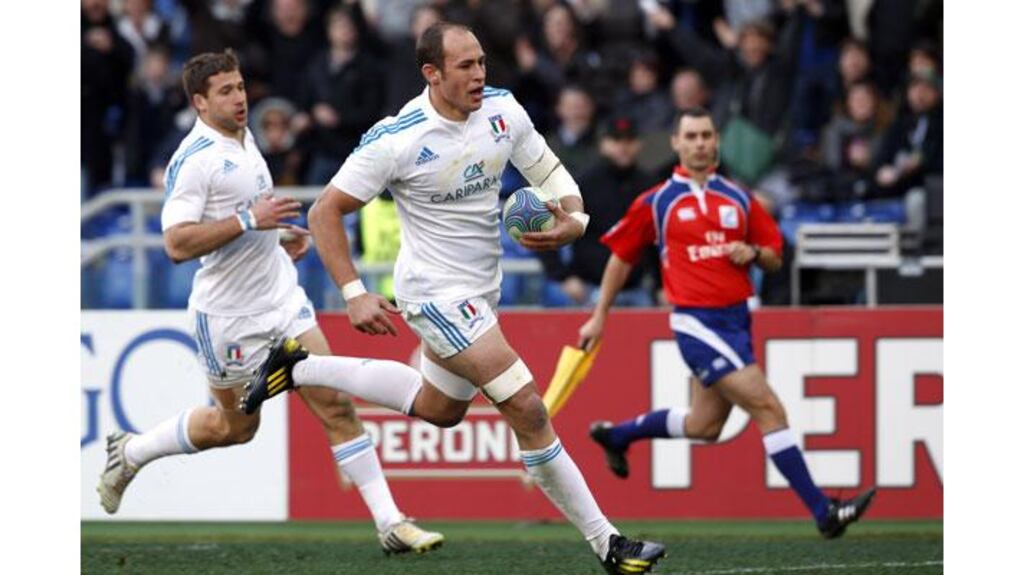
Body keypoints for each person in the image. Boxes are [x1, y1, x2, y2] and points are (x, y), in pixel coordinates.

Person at [241, 22, 666, 574]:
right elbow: (325, 211)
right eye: (465, 66)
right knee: (528, 407)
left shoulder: (503, 110)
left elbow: (549, 171)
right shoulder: (398, 137)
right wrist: (353, 293)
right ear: (432, 73)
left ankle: (299, 367)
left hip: (481, 292)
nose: (479, 74)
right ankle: (609, 543)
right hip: (434, 294)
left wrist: (575, 219)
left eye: (482, 62)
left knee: (440, 410)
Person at [96, 50, 444, 556]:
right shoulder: (194, 160)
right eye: (225, 92)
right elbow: (176, 243)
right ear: (199, 102)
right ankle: (131, 451)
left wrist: (275, 236)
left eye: (239, 87)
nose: (239, 99)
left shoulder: (244, 136)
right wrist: (249, 222)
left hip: (281, 299)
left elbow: (243, 217)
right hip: (229, 318)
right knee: (235, 428)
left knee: (335, 405)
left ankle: (391, 523)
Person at [580, 108, 876, 540]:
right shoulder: (658, 201)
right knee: (768, 408)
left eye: (706, 135)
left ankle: (618, 435)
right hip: (696, 325)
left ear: (716, 140)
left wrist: (753, 253)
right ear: (677, 144)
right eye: (691, 136)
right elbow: (621, 258)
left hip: (737, 321)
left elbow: (774, 255)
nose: (700, 143)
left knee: (706, 426)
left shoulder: (739, 198)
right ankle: (823, 511)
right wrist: (599, 316)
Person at [539, 116, 658, 307]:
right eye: (616, 140)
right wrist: (563, 276)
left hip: (636, 289)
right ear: (603, 144)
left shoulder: (649, 185)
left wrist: (660, 285)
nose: (623, 147)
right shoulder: (583, 183)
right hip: (590, 289)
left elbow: (657, 239)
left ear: (638, 144)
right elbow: (546, 226)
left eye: (629, 140)